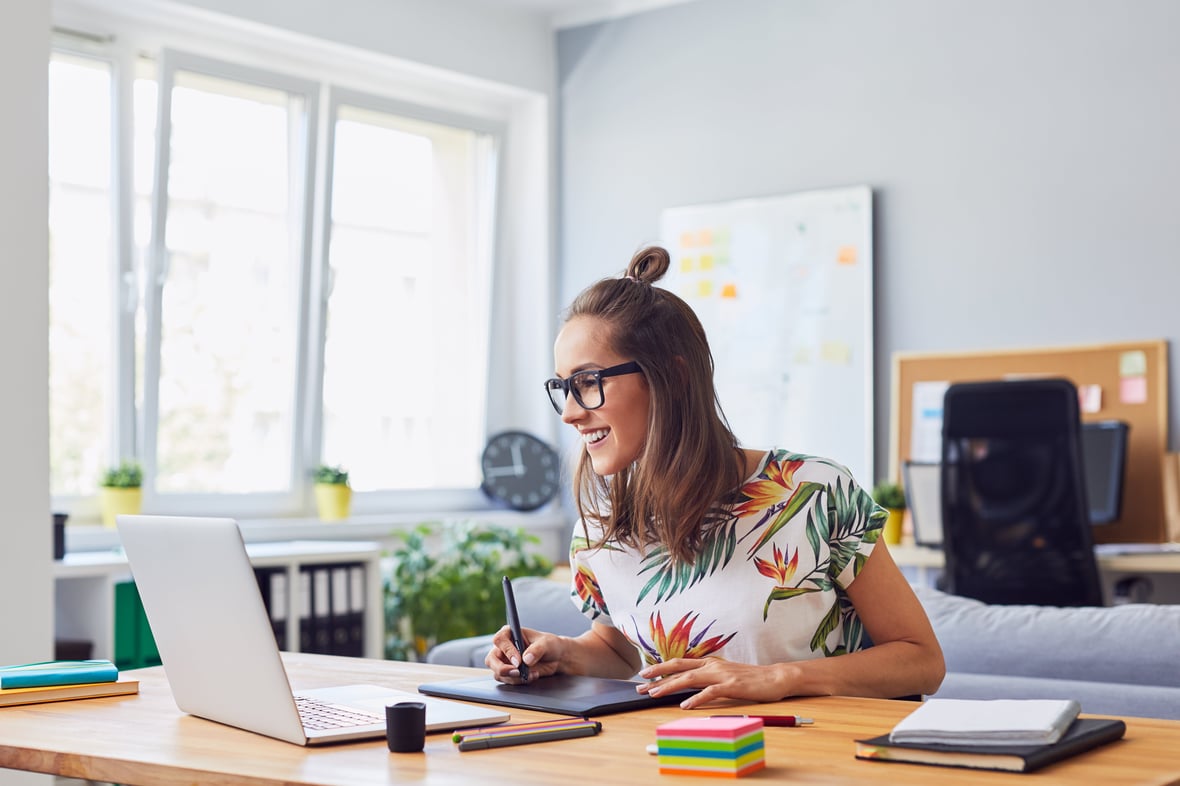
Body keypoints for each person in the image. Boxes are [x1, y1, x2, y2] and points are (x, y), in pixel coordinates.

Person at [486, 245, 945, 709]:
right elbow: (619, 650)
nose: (568, 413)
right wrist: (562, 654)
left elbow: (921, 660)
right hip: (676, 757)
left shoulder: (813, 493)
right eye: (563, 387)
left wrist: (780, 678)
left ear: (673, 377)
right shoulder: (600, 526)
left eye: (587, 382)